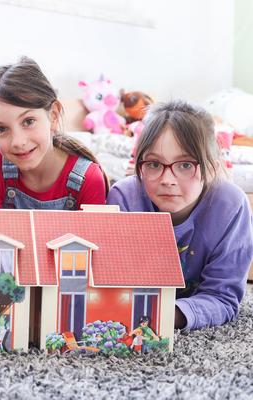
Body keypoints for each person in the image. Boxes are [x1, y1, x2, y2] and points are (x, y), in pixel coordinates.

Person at [107, 100, 253, 331]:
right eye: (154, 164)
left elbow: (223, 297)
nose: (167, 179)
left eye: (185, 165)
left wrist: (164, 315)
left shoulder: (231, 206)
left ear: (212, 169)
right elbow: (110, 284)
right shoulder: (123, 198)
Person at [0, 57, 108, 210]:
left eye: (29, 121)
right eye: (1, 129)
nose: (17, 142)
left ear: (53, 115)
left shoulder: (89, 179)